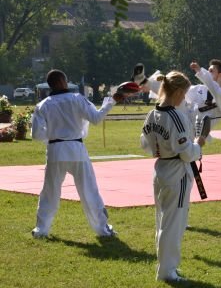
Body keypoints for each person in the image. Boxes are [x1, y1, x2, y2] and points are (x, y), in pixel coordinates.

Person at [31, 69, 124, 238]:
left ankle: (41, 229)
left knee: (50, 192)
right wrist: (110, 102)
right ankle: (103, 230)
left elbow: (36, 134)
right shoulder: (77, 99)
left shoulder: (43, 105)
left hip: (55, 151)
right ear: (62, 82)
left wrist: (52, 138)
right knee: (89, 190)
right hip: (76, 149)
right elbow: (95, 118)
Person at [140, 71, 206, 282]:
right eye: (184, 94)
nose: (184, 98)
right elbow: (187, 152)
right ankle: (167, 271)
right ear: (177, 91)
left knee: (163, 220)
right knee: (173, 224)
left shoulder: (152, 114)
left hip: (160, 169)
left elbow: (144, 143)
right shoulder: (176, 117)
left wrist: (161, 149)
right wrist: (199, 144)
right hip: (177, 172)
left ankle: (166, 266)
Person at [185, 59, 221, 139]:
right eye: (208, 71)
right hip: (184, 131)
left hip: (198, 137)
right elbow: (180, 90)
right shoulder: (199, 88)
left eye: (211, 71)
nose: (208, 73)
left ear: (220, 75)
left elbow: (215, 90)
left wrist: (200, 71)